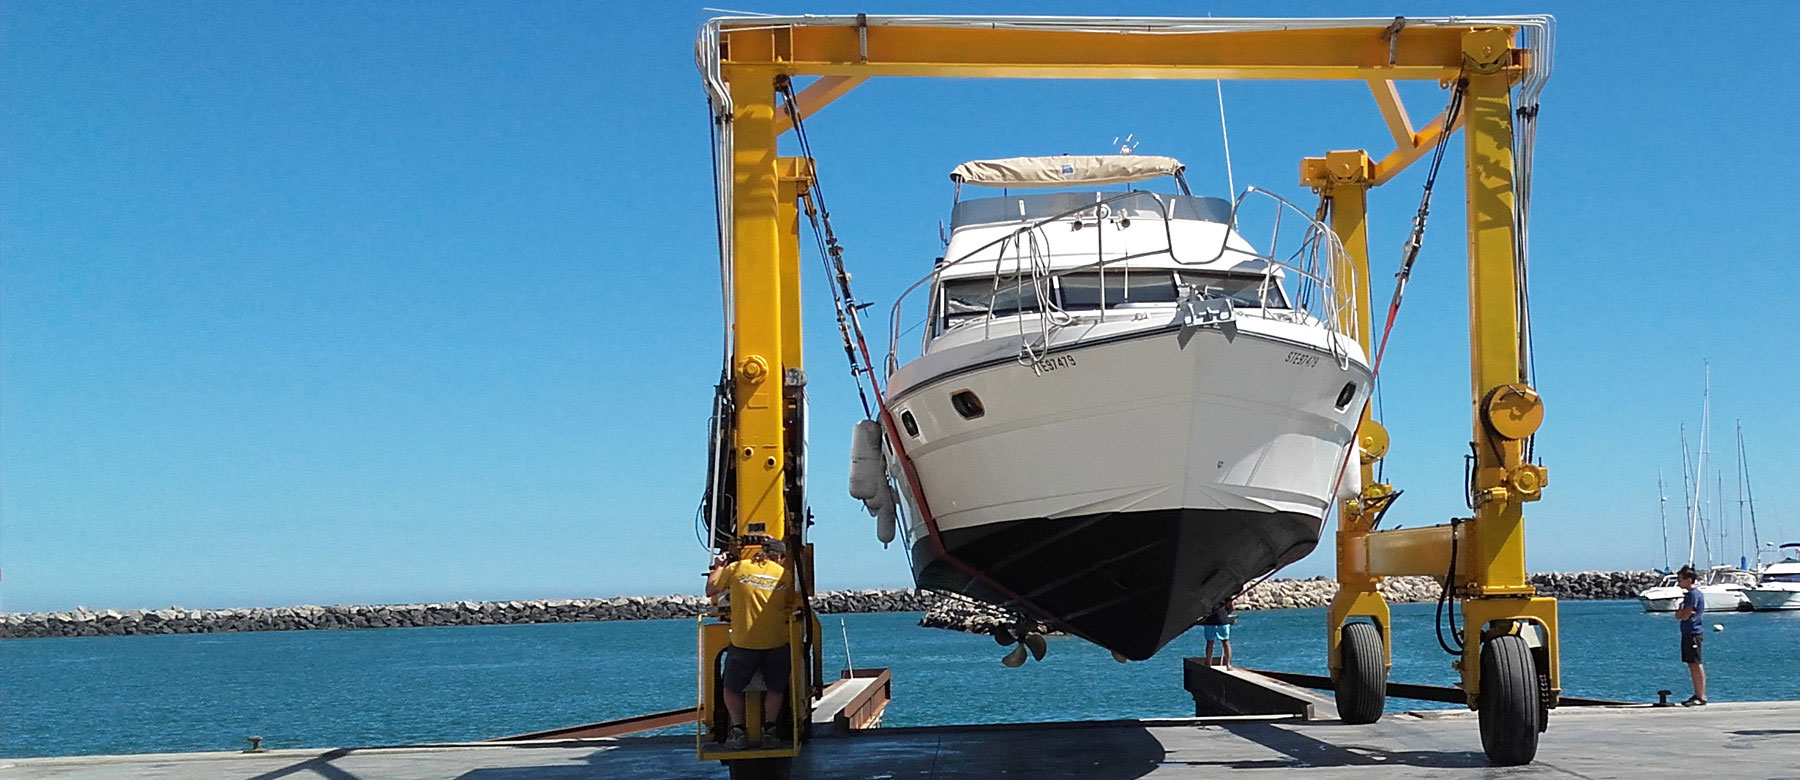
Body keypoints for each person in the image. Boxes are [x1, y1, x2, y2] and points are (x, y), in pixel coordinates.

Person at [705, 538, 796, 749]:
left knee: (730, 688)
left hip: (744, 643)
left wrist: (718, 567)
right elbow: (788, 604)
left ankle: (738, 731)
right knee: (776, 688)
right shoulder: (785, 575)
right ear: (780, 557)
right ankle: (769, 732)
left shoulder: (738, 568)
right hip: (776, 641)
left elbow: (711, 590)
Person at [1674, 565, 1707, 706]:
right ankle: (1697, 693)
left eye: (1680, 579)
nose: (1678, 582)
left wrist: (1682, 614)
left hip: (1693, 632)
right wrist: (1681, 614)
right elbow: (1679, 614)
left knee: (1695, 663)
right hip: (1688, 632)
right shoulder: (1689, 595)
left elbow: (1684, 614)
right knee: (1691, 664)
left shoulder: (1693, 595)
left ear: (1688, 580)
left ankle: (1700, 695)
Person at [1199, 598, 1235, 668]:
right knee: (1218, 642)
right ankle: (1211, 663)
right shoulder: (1224, 593)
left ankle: (1225, 664)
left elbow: (1231, 606)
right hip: (1215, 621)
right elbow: (1231, 606)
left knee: (1219, 642)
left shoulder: (1224, 594)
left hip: (1219, 621)